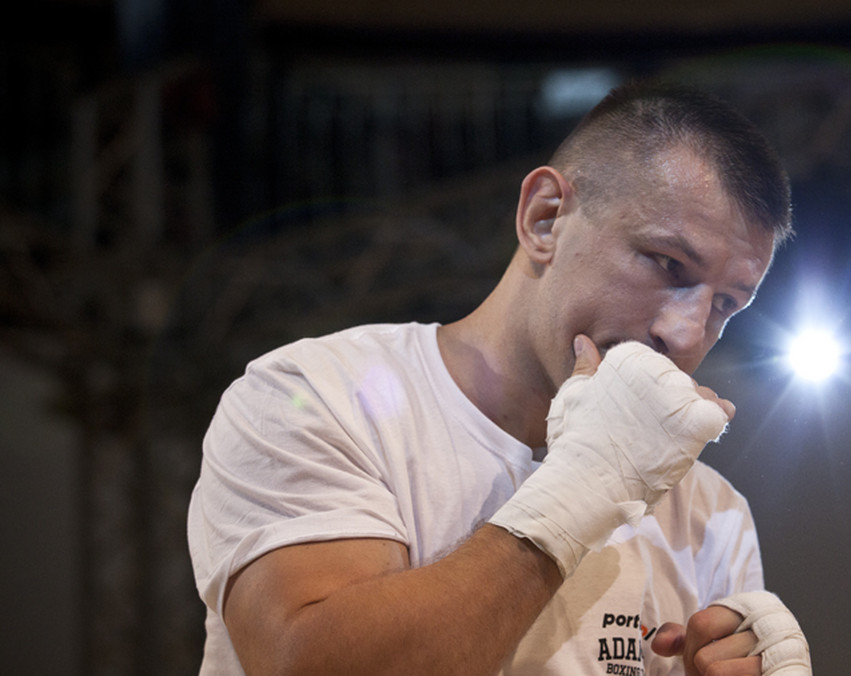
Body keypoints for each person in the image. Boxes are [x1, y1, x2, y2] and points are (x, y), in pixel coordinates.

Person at [188, 80, 812, 675]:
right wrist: (584, 490)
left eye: (727, 303)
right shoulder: (312, 397)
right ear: (545, 218)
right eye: (668, 263)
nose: (687, 333)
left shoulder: (712, 513)